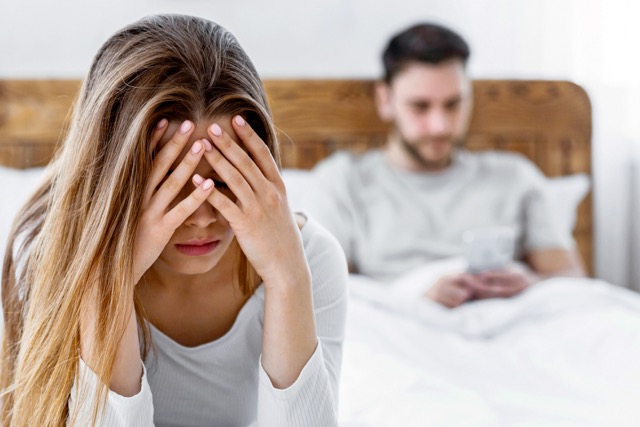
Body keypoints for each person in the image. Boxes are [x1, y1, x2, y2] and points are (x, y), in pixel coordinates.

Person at [0, 15, 347, 427]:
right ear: (117, 182)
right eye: (170, 184)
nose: (201, 217)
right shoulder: (46, 258)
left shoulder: (309, 259)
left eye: (224, 182)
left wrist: (288, 277)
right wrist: (107, 283)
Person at [309, 22, 584, 309]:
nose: (440, 126)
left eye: (453, 104)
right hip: (396, 328)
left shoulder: (514, 177)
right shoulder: (342, 181)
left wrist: (529, 284)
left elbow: (570, 278)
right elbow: (327, 296)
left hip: (507, 326)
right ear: (385, 99)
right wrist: (419, 297)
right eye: (420, 106)